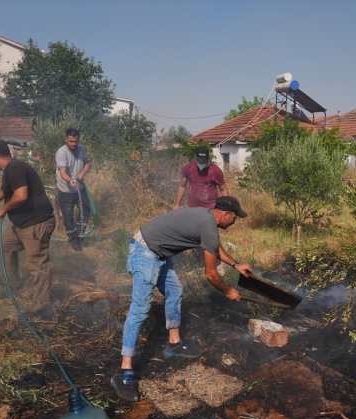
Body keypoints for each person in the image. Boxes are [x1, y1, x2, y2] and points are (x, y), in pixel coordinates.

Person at [111, 196, 252, 402]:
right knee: (140, 309)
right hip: (145, 251)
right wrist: (228, 290)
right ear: (225, 215)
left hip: (157, 253)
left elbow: (213, 247)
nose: (235, 222)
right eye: (234, 218)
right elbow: (211, 275)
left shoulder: (207, 220)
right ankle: (123, 372)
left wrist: (235, 264)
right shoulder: (209, 226)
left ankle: (174, 344)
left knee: (174, 290)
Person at [0, 139, 56, 302]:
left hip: (36, 223)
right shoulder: (10, 169)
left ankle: (40, 304)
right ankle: (13, 286)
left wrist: (3, 209)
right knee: (5, 246)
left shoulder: (15, 167)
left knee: (37, 263)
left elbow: (21, 196)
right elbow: (3, 192)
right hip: (22, 224)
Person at [56, 128, 91, 251]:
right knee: (68, 215)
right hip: (66, 190)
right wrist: (70, 180)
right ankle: (73, 239)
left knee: (86, 210)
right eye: (71, 141)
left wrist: (82, 174)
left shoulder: (81, 148)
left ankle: (80, 236)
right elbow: (62, 172)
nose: (73, 144)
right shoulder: (61, 153)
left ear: (78, 140)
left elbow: (87, 163)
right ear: (66, 139)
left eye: (75, 141)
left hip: (79, 188)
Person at [173, 146, 229, 210]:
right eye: (199, 161)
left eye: (203, 161)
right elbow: (182, 186)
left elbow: (223, 189)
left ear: (208, 158)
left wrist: (227, 208)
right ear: (195, 157)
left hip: (210, 208)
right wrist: (177, 204)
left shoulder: (215, 170)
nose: (201, 163)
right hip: (192, 207)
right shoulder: (188, 167)